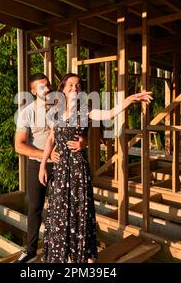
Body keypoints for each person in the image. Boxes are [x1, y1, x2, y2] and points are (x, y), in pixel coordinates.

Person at [38, 73, 153, 263]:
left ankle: (81, 256)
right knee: (59, 211)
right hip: (59, 169)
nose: (75, 88)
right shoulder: (54, 112)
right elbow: (51, 139)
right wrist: (43, 165)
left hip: (77, 169)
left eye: (78, 85)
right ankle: (64, 255)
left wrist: (130, 99)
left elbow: (109, 114)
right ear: (63, 89)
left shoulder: (85, 111)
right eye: (70, 85)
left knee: (80, 210)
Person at [14, 73, 87, 263]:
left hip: (64, 166)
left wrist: (83, 142)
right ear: (32, 91)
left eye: (47, 85)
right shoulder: (27, 113)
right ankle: (30, 250)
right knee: (35, 206)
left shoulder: (61, 105)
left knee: (64, 207)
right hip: (37, 164)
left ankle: (66, 249)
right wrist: (44, 157)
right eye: (41, 87)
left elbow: (80, 131)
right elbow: (19, 145)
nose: (46, 89)